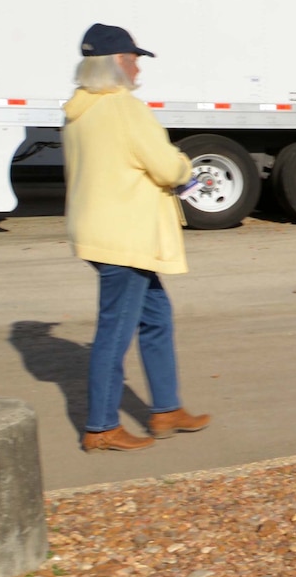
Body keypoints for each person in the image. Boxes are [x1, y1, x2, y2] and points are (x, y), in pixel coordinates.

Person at [64, 23, 210, 452]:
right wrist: (186, 170)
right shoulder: (124, 108)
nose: (138, 68)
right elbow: (165, 167)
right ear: (114, 64)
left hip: (98, 233)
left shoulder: (77, 110)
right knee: (115, 332)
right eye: (133, 59)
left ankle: (166, 409)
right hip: (125, 239)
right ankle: (101, 427)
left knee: (157, 317)